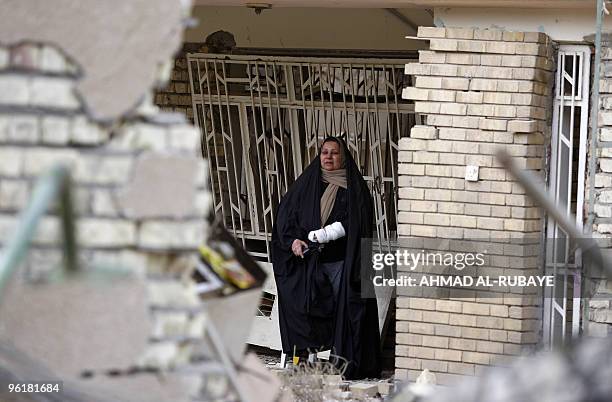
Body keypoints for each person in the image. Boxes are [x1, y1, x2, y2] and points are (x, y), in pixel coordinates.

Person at [271, 136, 381, 380]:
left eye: (334, 153)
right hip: (309, 263)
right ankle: (303, 361)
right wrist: (293, 241)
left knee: (343, 312)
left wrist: (329, 233)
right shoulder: (307, 184)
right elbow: (286, 218)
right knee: (305, 310)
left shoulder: (354, 188)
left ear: (343, 157)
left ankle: (342, 364)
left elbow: (357, 222)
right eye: (324, 152)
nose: (328, 157)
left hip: (342, 263)